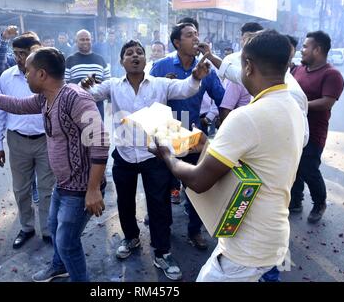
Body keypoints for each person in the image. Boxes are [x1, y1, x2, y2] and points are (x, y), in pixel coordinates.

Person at [150, 30, 305, 282]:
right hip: (273, 235)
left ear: (248, 66)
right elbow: (259, 158)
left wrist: (167, 156)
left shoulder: (247, 116)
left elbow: (199, 181)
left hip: (246, 246)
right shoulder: (293, 107)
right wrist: (208, 145)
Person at [0, 47, 109, 282]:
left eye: (28, 70)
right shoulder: (45, 98)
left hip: (81, 188)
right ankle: (59, 267)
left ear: (41, 74)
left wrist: (92, 189)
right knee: (54, 226)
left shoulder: (76, 97)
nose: (24, 73)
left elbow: (100, 142)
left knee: (67, 242)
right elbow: (15, 105)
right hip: (63, 184)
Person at [81, 40, 212, 281]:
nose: (135, 56)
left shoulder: (160, 84)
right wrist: (85, 85)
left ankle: (162, 252)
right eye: (129, 53)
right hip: (124, 155)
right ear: (122, 61)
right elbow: (89, 94)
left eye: (139, 53)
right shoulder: (112, 86)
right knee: (125, 203)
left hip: (154, 155)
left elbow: (185, 88)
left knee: (159, 205)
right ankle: (130, 238)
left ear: (145, 60)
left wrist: (196, 77)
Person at [150, 22, 226, 250]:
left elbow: (222, 98)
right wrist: (168, 86)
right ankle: (164, 229)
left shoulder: (206, 69)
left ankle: (195, 230)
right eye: (189, 35)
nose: (196, 39)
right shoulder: (161, 67)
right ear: (176, 42)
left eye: (197, 34)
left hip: (193, 136)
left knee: (196, 187)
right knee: (161, 187)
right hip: (165, 135)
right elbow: (148, 99)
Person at [0, 31, 56, 249]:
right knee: (21, 189)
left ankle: (48, 229)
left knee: (47, 188)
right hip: (17, 140)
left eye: (23, 54)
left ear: (34, 54)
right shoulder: (6, 77)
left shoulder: (48, 76)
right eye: (16, 53)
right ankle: (26, 227)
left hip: (46, 140)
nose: (18, 59)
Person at [206, 22, 309, 147]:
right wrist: (210, 56)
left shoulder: (292, 92)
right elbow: (231, 72)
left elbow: (302, 138)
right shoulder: (262, 78)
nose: (241, 70)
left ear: (249, 66)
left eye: (243, 64)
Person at [289, 31, 344, 223]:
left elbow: (327, 102)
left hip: (314, 133)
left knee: (308, 169)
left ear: (317, 50)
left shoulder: (332, 75)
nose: (302, 50)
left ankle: (319, 203)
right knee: (293, 168)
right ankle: (295, 201)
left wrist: (299, 105)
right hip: (294, 130)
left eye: (305, 47)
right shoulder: (298, 70)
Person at [65, 30, 110, 119]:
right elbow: (65, 84)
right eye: (82, 40)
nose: (85, 42)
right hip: (76, 106)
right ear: (76, 41)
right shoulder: (70, 60)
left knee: (97, 131)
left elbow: (108, 83)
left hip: (97, 106)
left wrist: (109, 100)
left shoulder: (100, 60)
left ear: (91, 41)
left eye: (87, 39)